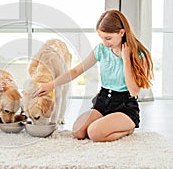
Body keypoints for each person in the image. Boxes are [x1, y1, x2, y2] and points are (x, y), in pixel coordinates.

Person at [34, 10, 153, 142]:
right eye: (102, 38)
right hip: (103, 100)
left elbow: (134, 91)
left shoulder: (138, 54)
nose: (104, 42)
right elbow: (76, 71)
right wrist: (51, 84)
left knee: (94, 133)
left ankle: (127, 128)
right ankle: (107, 124)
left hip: (125, 106)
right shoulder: (101, 50)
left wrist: (126, 60)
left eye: (108, 38)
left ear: (121, 32)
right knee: (78, 132)